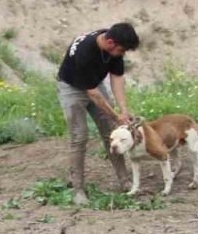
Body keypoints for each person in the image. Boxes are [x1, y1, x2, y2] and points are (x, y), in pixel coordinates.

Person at [56, 23, 140, 205]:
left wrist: (123, 110)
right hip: (71, 88)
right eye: (122, 50)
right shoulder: (84, 52)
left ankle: (124, 181)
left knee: (111, 133)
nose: (123, 54)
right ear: (110, 43)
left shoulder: (115, 45)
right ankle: (78, 189)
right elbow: (92, 94)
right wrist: (115, 116)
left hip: (94, 84)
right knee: (79, 137)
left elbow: (117, 78)